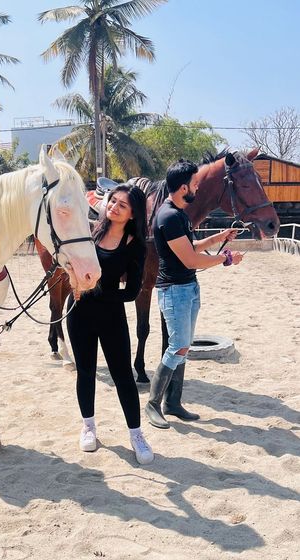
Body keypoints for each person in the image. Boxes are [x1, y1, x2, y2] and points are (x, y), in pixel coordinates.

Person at [146, 159, 243, 429]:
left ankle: (173, 403)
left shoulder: (179, 214)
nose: (197, 189)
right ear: (182, 186)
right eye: (195, 184)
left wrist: (218, 237)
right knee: (177, 347)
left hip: (187, 288)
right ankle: (153, 403)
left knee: (183, 347)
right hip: (175, 291)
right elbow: (189, 259)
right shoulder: (169, 216)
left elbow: (191, 247)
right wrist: (225, 259)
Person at [67, 183, 154, 465]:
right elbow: (69, 263)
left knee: (123, 377)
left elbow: (131, 292)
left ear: (132, 214)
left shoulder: (134, 245)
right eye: (113, 201)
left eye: (122, 205)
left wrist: (95, 290)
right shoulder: (90, 231)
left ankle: (136, 434)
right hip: (78, 312)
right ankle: (89, 426)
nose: (114, 207)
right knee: (85, 371)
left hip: (111, 316)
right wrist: (73, 281)